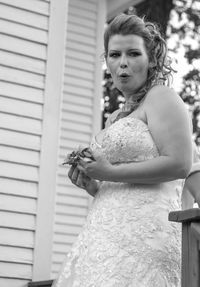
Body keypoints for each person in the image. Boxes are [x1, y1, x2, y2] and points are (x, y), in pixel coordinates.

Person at [53, 13, 193, 287]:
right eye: (115, 55)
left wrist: (109, 171)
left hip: (145, 237)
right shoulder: (114, 118)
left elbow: (179, 164)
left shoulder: (162, 98)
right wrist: (94, 183)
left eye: (133, 53)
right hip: (103, 234)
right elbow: (118, 182)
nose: (123, 63)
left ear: (151, 59)